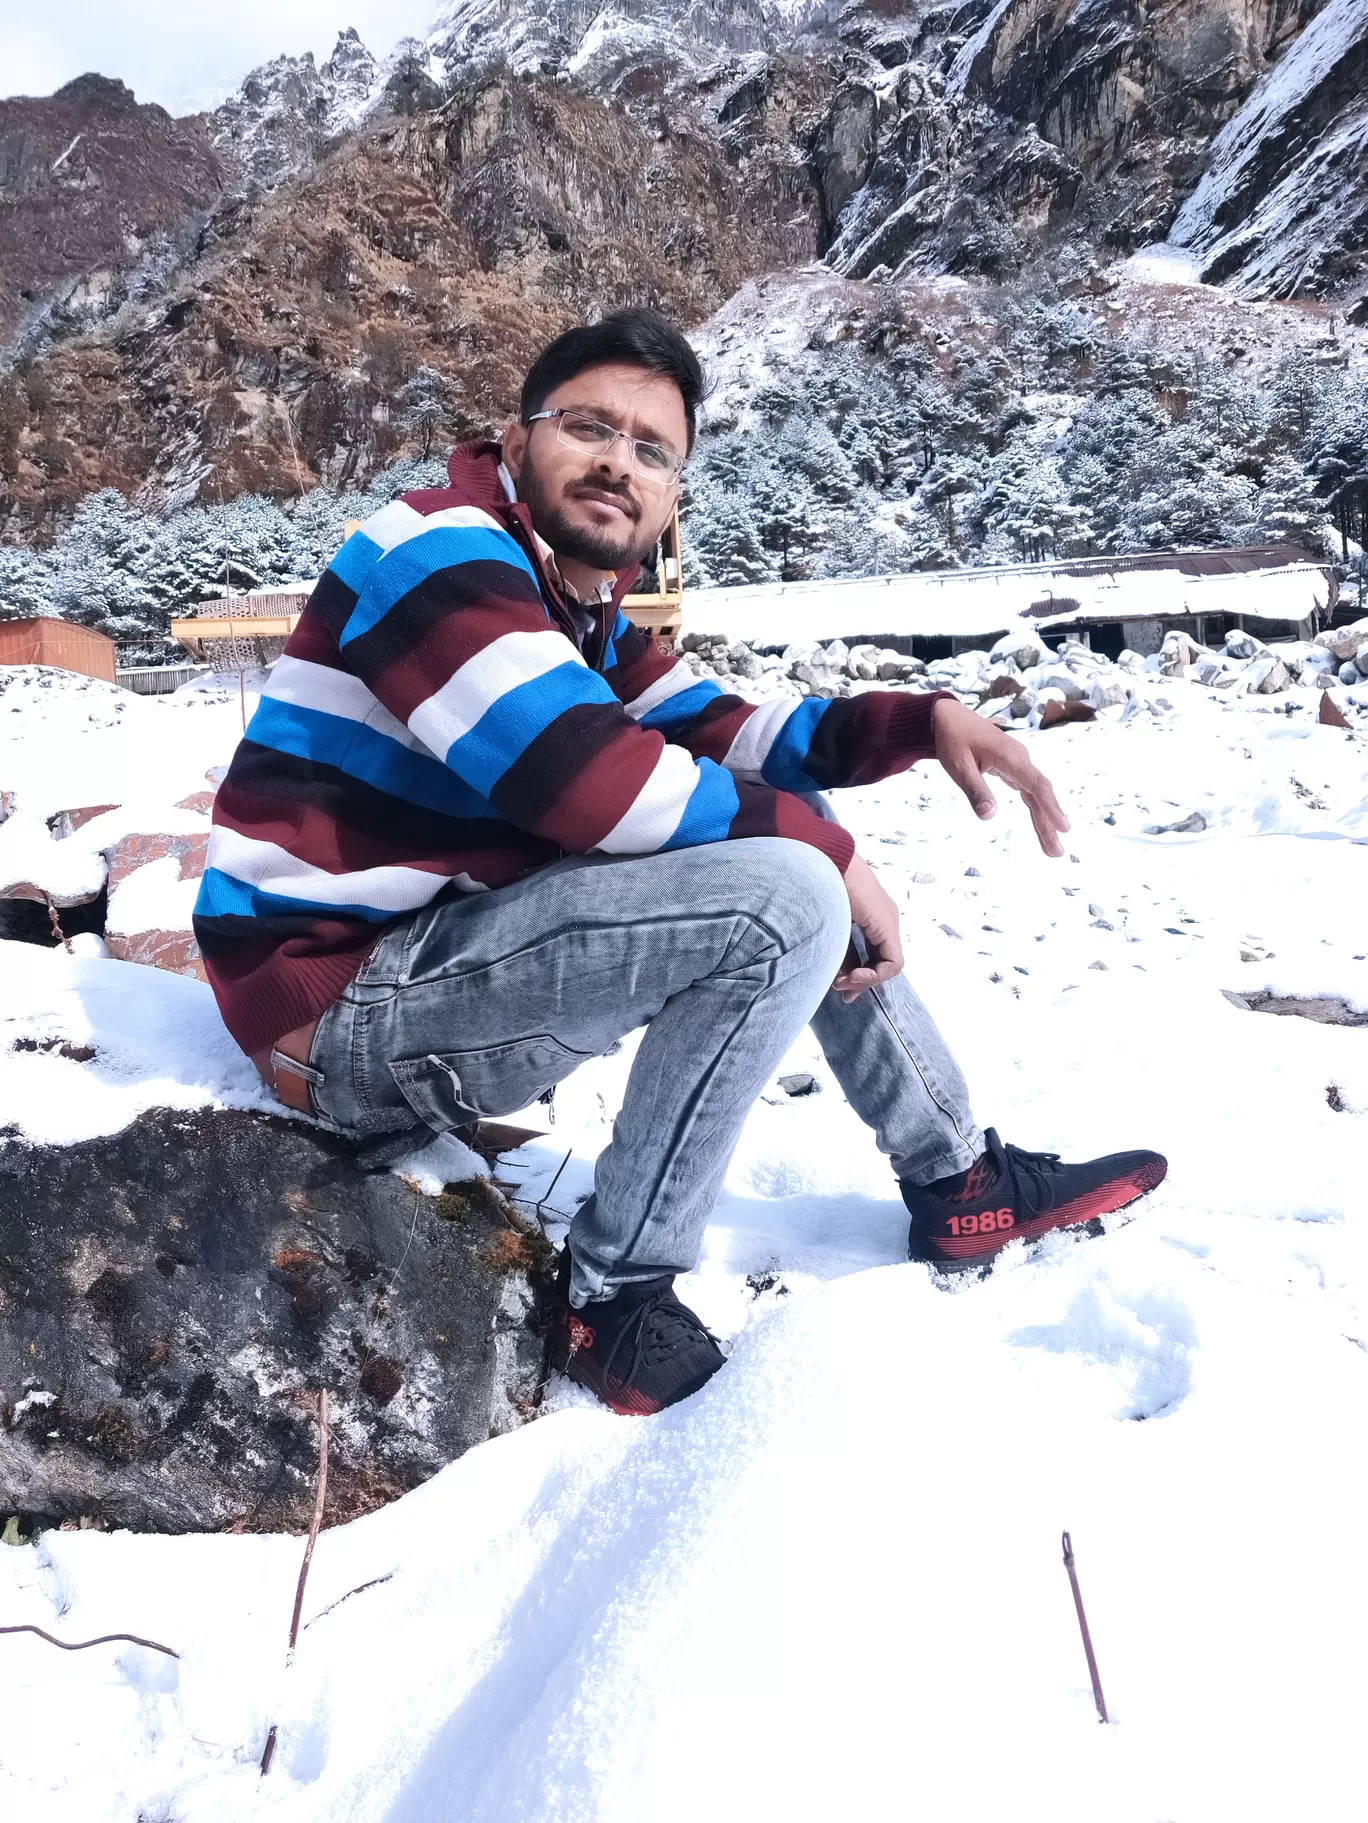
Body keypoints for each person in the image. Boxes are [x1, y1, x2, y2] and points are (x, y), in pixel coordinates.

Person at [194, 308, 1166, 1417]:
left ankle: (959, 1181)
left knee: (776, 823)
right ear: (517, 445)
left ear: (669, 500)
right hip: (332, 1011)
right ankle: (612, 1296)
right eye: (590, 428)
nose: (621, 462)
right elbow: (584, 782)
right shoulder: (438, 551)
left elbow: (731, 733)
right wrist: (830, 853)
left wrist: (920, 716)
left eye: (654, 451)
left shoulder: (577, 609)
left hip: (421, 968)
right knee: (783, 885)